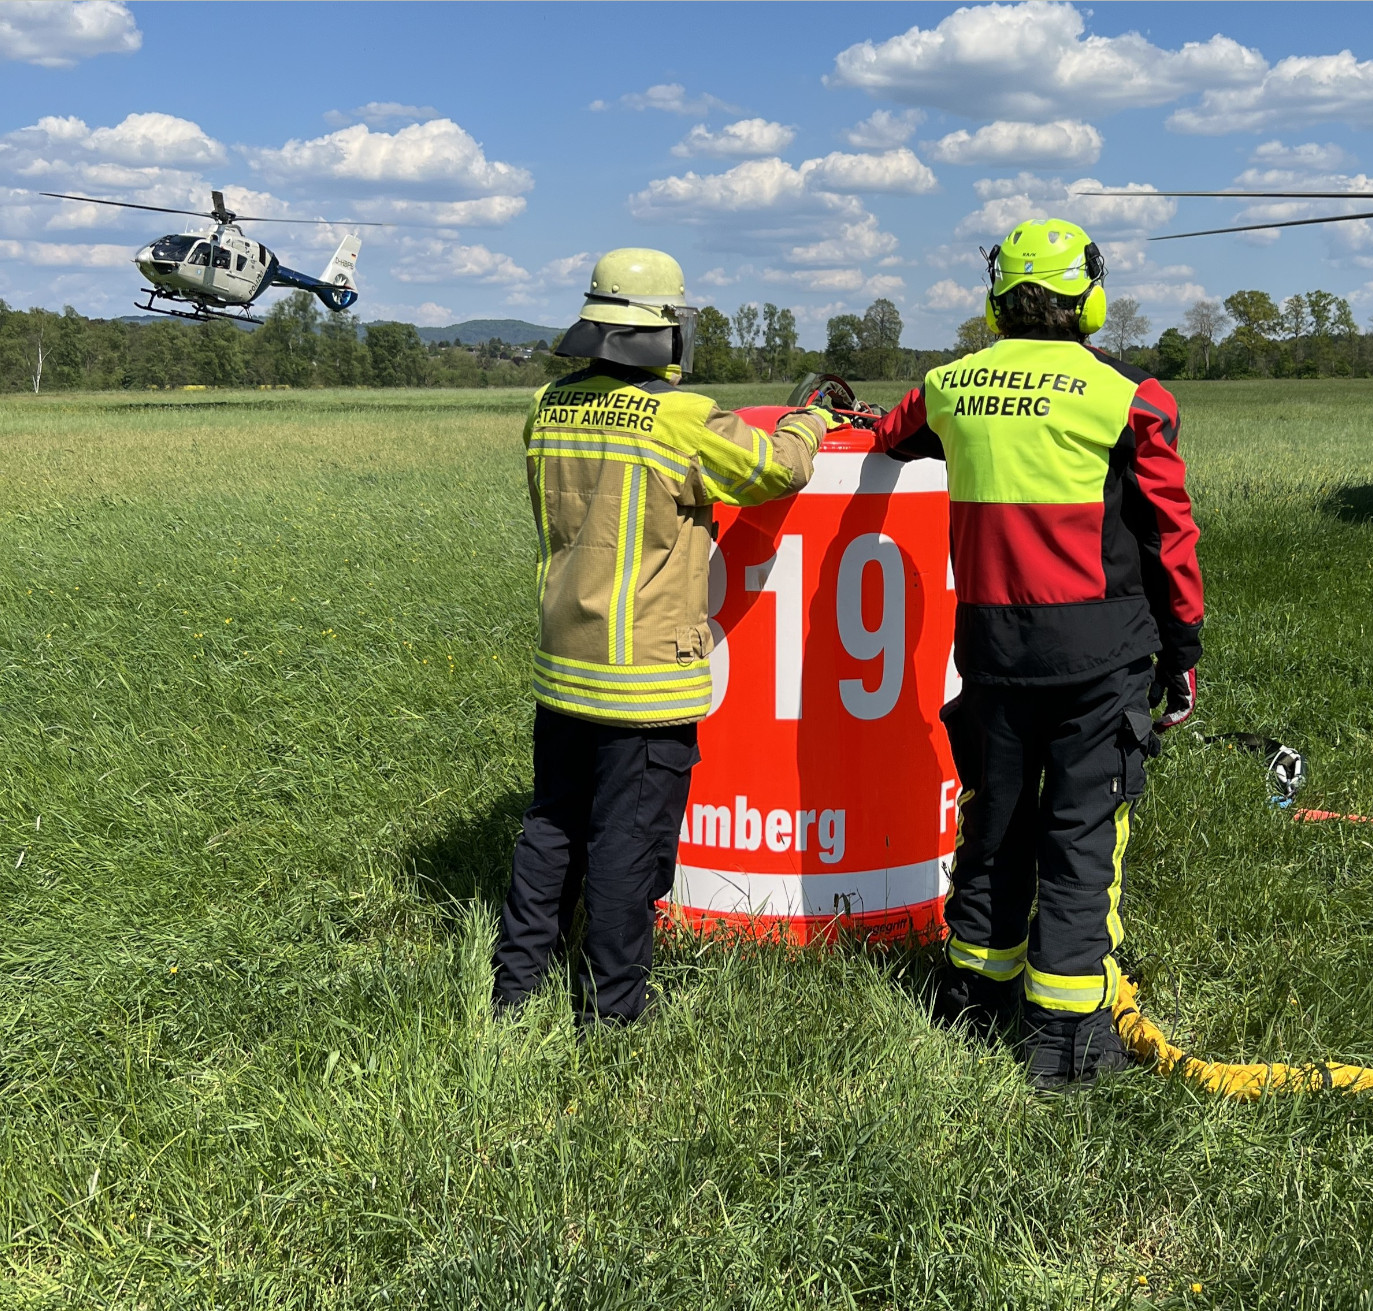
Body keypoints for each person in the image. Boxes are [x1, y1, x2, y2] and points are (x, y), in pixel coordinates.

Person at [871, 218, 1204, 1086]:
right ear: (1087, 298)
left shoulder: (948, 386)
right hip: (1102, 656)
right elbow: (1169, 538)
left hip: (989, 650)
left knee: (994, 820)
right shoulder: (1133, 397)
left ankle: (970, 998)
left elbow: (891, 433)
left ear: (996, 301)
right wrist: (1182, 650)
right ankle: (1064, 1036)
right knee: (1081, 834)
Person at [491, 247, 832, 1026]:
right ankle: (613, 1010)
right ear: (665, 330)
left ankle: (515, 988)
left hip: (563, 663)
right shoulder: (680, 418)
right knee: (628, 844)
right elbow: (775, 469)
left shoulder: (546, 405)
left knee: (552, 823)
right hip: (644, 679)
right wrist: (810, 419)